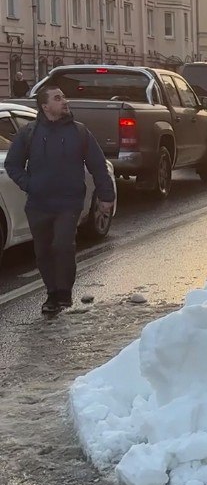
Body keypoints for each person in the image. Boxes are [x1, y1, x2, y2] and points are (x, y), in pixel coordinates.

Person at [3, 84, 116, 314]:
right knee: (43, 251)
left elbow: (98, 166)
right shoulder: (30, 133)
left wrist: (106, 197)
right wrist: (29, 184)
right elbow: (12, 165)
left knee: (62, 245)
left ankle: (64, 293)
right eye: (57, 98)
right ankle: (52, 294)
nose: (64, 101)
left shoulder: (80, 132)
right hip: (38, 204)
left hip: (69, 202)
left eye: (64, 96)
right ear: (45, 106)